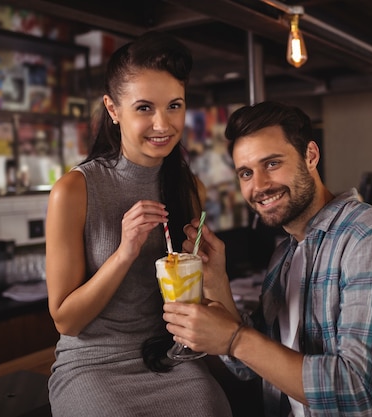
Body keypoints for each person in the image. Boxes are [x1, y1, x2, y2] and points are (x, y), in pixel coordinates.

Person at [163, 101, 372, 416]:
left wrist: (235, 339)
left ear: (310, 155)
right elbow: (252, 364)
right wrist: (217, 283)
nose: (259, 186)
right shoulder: (285, 254)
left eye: (271, 163)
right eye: (246, 172)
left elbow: (361, 395)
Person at [45, 32, 233, 417]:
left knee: (212, 406)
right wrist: (125, 251)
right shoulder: (74, 190)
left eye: (174, 106)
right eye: (144, 108)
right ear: (113, 110)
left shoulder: (189, 188)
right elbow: (66, 319)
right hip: (93, 364)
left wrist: (214, 274)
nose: (162, 124)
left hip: (168, 356)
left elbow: (187, 300)